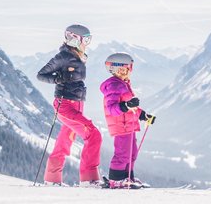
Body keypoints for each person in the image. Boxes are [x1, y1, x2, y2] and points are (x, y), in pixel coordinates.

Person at [37, 24, 102, 187]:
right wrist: (58, 79)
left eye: (88, 39)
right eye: (85, 39)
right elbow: (41, 75)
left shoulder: (79, 56)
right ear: (74, 39)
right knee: (93, 134)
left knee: (64, 141)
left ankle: (52, 179)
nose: (87, 43)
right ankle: (89, 179)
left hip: (77, 104)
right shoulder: (63, 56)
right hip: (65, 104)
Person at [100, 52, 156, 189]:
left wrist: (144, 116)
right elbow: (112, 109)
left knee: (132, 153)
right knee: (122, 154)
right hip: (121, 126)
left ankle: (128, 177)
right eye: (123, 69)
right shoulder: (113, 86)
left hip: (129, 125)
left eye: (128, 69)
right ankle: (116, 179)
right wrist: (126, 105)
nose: (126, 72)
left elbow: (133, 108)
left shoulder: (123, 84)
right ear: (114, 69)